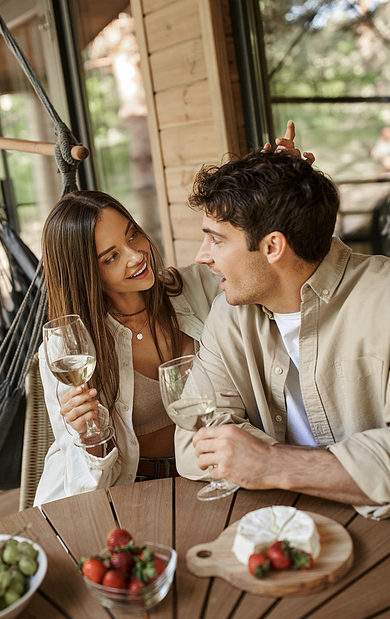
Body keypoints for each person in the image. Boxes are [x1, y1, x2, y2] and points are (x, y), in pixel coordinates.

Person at [34, 123, 307, 504]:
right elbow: (86, 479)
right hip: (127, 488)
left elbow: (281, 267)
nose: (136, 255)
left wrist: (286, 196)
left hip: (208, 474)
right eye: (112, 257)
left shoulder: (196, 286)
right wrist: (89, 437)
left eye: (132, 234)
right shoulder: (70, 348)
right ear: (86, 275)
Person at [175, 150, 390, 519]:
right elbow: (192, 443)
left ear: (272, 246)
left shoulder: (382, 300)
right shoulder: (229, 315)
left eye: (217, 240)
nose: (202, 256)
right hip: (281, 523)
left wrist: (271, 463)